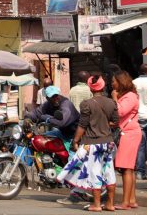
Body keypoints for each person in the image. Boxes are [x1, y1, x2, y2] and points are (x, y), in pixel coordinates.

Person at [57, 74, 118, 212]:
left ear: (90, 88)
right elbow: (116, 122)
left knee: (95, 172)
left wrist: (76, 140)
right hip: (108, 143)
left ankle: (97, 205)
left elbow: (82, 125)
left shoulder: (87, 104)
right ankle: (110, 204)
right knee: (109, 172)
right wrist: (104, 124)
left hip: (93, 143)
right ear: (103, 87)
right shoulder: (111, 103)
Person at [113, 70, 142, 210]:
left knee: (126, 168)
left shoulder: (129, 96)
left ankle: (125, 202)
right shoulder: (129, 95)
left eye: (114, 81)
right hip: (129, 132)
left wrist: (114, 98)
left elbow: (119, 112)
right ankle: (131, 200)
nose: (112, 84)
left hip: (129, 133)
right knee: (129, 168)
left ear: (121, 82)